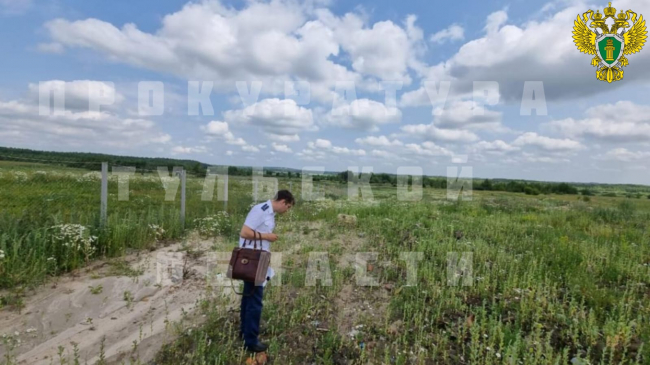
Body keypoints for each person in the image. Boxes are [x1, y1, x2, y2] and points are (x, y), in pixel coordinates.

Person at [238, 190, 295, 353]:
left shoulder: (269, 212)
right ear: (283, 201)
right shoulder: (260, 210)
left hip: (259, 257)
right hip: (253, 259)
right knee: (255, 300)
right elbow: (244, 232)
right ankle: (251, 341)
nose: (287, 210)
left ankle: (245, 332)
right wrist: (266, 237)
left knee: (248, 297)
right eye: (288, 207)